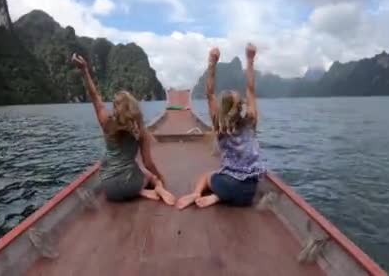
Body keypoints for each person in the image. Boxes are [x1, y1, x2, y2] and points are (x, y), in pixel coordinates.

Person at [72, 53, 176, 205]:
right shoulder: (140, 131)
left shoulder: (106, 123)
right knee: (148, 174)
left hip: (109, 189)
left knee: (131, 170)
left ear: (115, 108)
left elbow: (95, 97)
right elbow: (148, 163)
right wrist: (160, 178)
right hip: (131, 184)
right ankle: (156, 189)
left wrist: (84, 70)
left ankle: (141, 192)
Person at [176, 43, 266, 209]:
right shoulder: (250, 122)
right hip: (248, 193)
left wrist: (212, 62)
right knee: (235, 184)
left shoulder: (219, 126)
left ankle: (198, 194)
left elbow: (209, 93)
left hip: (226, 185)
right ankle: (219, 197)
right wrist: (250, 60)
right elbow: (251, 90)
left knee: (205, 176)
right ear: (241, 108)